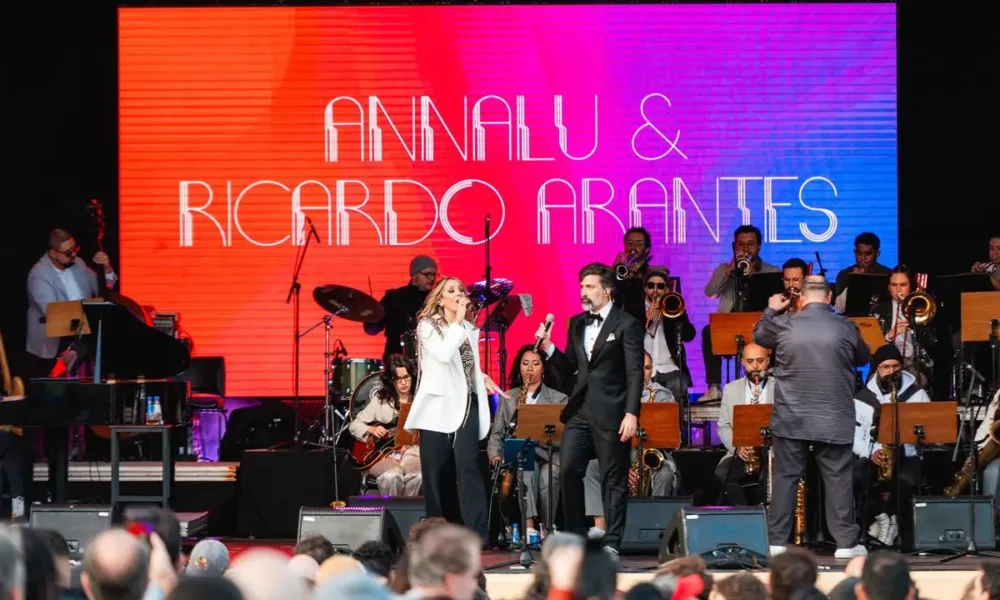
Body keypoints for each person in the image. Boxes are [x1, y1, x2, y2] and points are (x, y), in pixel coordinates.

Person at [752, 275, 870, 558]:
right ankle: (845, 544)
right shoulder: (845, 326)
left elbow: (759, 335)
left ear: (801, 298)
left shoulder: (783, 324)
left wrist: (771, 309)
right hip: (833, 416)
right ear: (829, 297)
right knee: (838, 478)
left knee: (785, 477)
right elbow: (864, 358)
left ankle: (777, 541)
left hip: (792, 417)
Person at [535, 262, 644, 558]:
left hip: (612, 410)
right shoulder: (577, 323)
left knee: (613, 478)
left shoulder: (627, 324)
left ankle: (612, 542)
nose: (583, 292)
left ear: (606, 291)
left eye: (590, 286)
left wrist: (632, 413)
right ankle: (574, 535)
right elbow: (571, 366)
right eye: (582, 286)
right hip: (580, 409)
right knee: (568, 469)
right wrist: (548, 348)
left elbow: (635, 372)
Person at [404, 277, 505, 540]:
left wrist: (482, 378)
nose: (459, 294)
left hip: (466, 404)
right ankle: (438, 535)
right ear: (440, 299)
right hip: (437, 407)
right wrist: (458, 322)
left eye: (461, 289)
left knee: (469, 467)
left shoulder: (468, 328)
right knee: (437, 473)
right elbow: (444, 355)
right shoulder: (427, 327)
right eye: (451, 290)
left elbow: (465, 367)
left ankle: (477, 534)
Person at [584, 352, 679, 532]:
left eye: (648, 368)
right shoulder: (613, 395)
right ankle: (600, 528)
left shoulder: (663, 395)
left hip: (652, 455)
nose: (643, 372)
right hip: (621, 454)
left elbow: (671, 437)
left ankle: (656, 529)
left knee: (665, 474)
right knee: (591, 468)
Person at [487, 345, 568, 540]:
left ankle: (548, 528)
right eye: (525, 364)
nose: (530, 369)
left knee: (550, 474)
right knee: (527, 467)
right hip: (521, 455)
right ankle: (529, 527)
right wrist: (495, 455)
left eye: (535, 363)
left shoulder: (559, 398)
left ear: (543, 368)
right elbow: (496, 433)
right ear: (519, 367)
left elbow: (565, 437)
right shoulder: (508, 398)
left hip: (549, 453)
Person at [853, 345, 929, 547]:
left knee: (907, 480)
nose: (891, 371)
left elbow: (930, 429)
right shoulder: (862, 398)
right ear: (877, 369)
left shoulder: (916, 394)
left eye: (895, 366)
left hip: (908, 454)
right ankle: (882, 518)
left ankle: (899, 525)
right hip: (876, 454)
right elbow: (854, 437)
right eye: (885, 367)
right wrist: (871, 452)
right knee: (857, 476)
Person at [701, 225, 780, 401]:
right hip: (729, 325)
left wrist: (753, 278)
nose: (745, 249)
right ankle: (714, 387)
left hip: (759, 326)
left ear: (759, 247)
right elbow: (710, 292)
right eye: (741, 244)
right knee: (709, 331)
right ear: (734, 246)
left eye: (750, 244)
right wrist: (729, 272)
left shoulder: (771, 271)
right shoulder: (724, 269)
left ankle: (771, 385)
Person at [26, 229, 117, 377]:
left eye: (75, 249)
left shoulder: (78, 264)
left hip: (82, 332)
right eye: (68, 252)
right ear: (53, 253)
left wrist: (106, 268)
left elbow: (104, 287)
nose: (74, 254)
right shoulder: (38, 275)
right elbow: (53, 313)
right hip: (54, 339)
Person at [348, 354, 422, 496]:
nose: (403, 382)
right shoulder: (381, 401)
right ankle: (391, 514)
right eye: (398, 379)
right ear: (391, 381)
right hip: (384, 455)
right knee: (392, 476)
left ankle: (407, 515)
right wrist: (372, 429)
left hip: (413, 453)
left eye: (406, 377)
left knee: (417, 476)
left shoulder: (420, 401)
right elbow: (354, 425)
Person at [715, 343, 773, 505]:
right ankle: (746, 514)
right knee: (722, 474)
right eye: (750, 361)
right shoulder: (730, 389)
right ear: (743, 363)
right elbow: (723, 425)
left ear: (768, 361)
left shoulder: (780, 387)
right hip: (743, 450)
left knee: (769, 480)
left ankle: (766, 519)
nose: (755, 366)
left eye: (760, 361)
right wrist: (738, 447)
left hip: (771, 451)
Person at [869, 266, 937, 390]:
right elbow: (872, 347)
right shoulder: (878, 311)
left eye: (903, 285)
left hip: (914, 364)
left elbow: (932, 342)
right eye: (894, 285)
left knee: (908, 386)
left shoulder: (921, 308)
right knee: (873, 385)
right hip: (886, 363)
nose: (898, 289)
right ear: (889, 288)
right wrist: (889, 335)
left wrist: (914, 324)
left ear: (910, 286)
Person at [363, 255, 438, 363]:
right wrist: (370, 313)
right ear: (414, 275)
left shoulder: (436, 300)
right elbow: (372, 329)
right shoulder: (393, 297)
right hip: (396, 362)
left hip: (430, 362)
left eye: (434, 275)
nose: (432, 278)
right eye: (427, 274)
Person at [642, 267, 696, 406]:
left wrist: (672, 314)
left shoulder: (673, 306)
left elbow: (690, 335)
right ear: (645, 289)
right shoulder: (635, 309)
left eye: (660, 286)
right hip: (643, 369)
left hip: (670, 368)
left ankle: (675, 427)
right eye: (651, 286)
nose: (655, 290)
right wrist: (646, 319)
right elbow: (628, 336)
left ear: (667, 289)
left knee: (678, 385)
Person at [612, 227, 653, 321]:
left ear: (647, 249)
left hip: (640, 323)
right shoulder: (619, 269)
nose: (633, 247)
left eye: (639, 244)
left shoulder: (650, 274)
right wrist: (614, 274)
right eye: (629, 243)